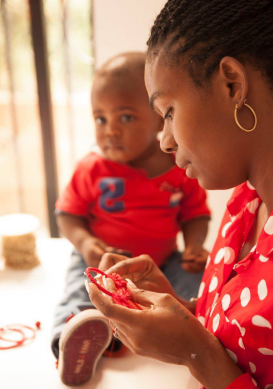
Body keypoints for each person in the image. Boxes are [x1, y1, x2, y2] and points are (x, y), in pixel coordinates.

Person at [87, 0, 273, 389]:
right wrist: (185, 314)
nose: (165, 141)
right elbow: (252, 345)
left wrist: (194, 352)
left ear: (232, 85)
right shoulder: (248, 203)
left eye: (167, 112)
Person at [52, 51, 210, 386]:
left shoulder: (179, 169)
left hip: (162, 262)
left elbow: (195, 214)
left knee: (197, 285)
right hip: (100, 260)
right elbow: (67, 214)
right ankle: (74, 339)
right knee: (78, 292)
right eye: (100, 119)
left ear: (157, 119)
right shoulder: (92, 168)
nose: (110, 131)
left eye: (124, 118)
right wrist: (85, 242)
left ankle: (176, 329)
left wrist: (195, 245)